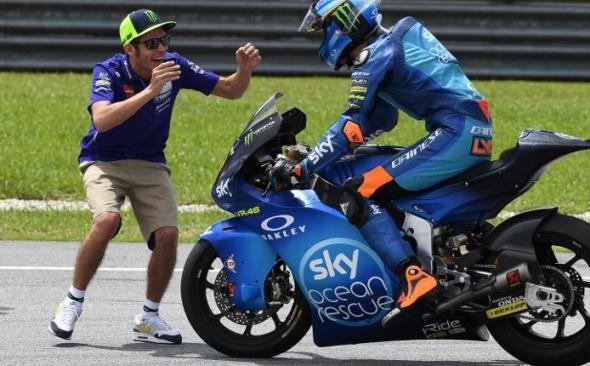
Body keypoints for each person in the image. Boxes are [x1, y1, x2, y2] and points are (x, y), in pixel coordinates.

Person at [48, 9, 261, 344]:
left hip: (149, 162)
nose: (161, 48)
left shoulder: (174, 65)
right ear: (130, 48)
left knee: (168, 235)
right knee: (106, 221)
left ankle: (148, 317)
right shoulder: (109, 71)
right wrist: (151, 90)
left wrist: (244, 71)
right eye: (151, 43)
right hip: (104, 160)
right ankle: (72, 301)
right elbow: (102, 120)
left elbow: (230, 90)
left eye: (164, 40)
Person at [295, 0, 493, 326]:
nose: (322, 39)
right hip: (465, 129)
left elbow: (351, 125)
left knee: (361, 190)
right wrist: (341, 147)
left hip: (456, 132)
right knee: (384, 179)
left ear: (342, 24)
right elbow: (384, 118)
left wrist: (307, 164)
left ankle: (412, 276)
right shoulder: (389, 44)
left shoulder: (375, 54)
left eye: (323, 30)